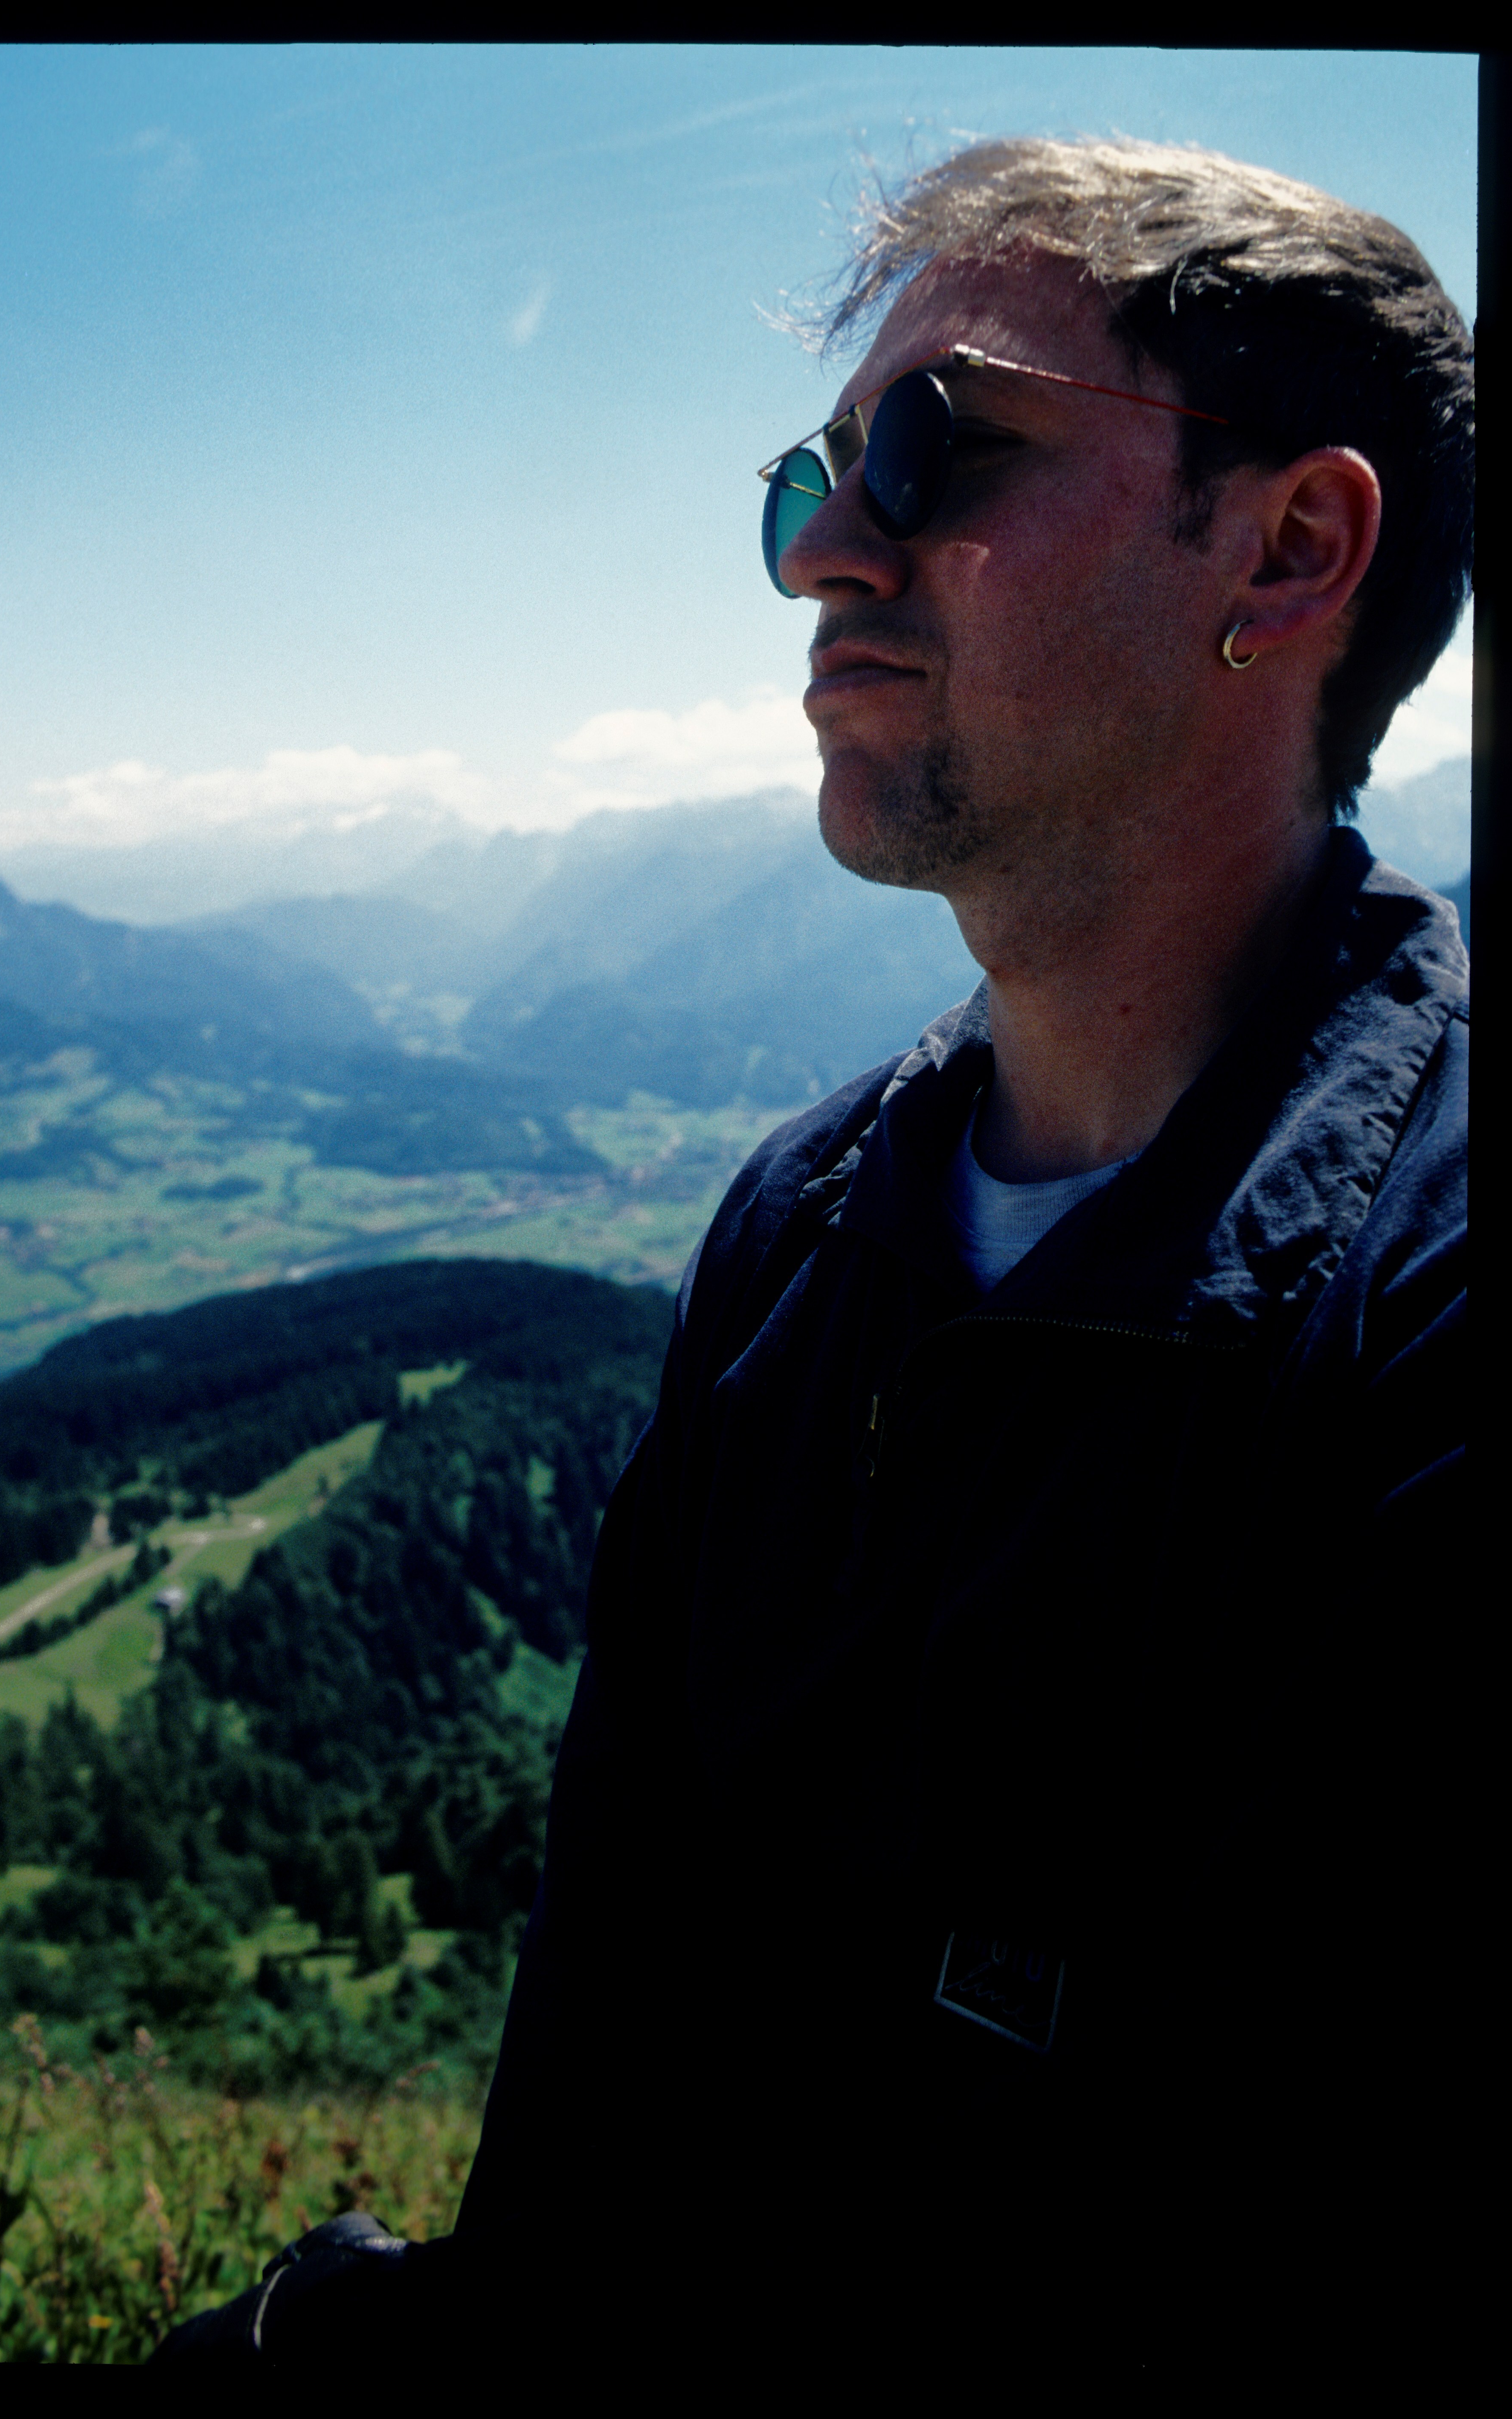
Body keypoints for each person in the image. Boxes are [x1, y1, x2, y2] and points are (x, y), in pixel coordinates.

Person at [158, 136, 1471, 2378]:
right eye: (806, 479)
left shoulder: (1430, 1313)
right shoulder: (794, 1227)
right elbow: (600, 2091)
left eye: (936, 447)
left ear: (1288, 548)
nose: (822, 553)